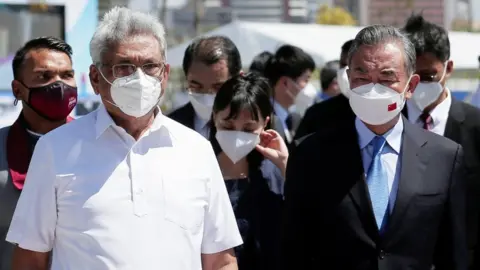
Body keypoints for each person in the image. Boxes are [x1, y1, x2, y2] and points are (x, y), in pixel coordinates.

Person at [6, 7, 242, 270]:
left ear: (165, 75)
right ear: (96, 78)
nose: (139, 78)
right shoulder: (54, 149)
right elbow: (30, 258)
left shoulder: (196, 150)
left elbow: (220, 259)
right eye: (124, 67)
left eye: (150, 66)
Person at [282, 25, 467, 270]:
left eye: (386, 78)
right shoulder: (310, 154)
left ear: (410, 86)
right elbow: (295, 251)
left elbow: (453, 256)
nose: (372, 89)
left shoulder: (444, 157)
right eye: (362, 78)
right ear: (348, 79)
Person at [402, 14, 480, 269]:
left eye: (429, 76)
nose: (420, 85)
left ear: (449, 68)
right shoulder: (386, 124)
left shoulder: (475, 126)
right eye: (413, 77)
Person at [0, 36, 77, 270]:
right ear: (18, 89)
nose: (59, 84)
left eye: (67, 75)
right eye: (44, 76)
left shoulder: (100, 146)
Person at [209, 72, 287, 269]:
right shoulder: (199, 169)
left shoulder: (274, 172)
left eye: (248, 129)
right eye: (227, 125)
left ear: (265, 123)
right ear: (214, 117)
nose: (236, 135)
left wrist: (286, 165)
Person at [168, 36, 242, 139]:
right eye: (196, 87)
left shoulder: (252, 128)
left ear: (239, 81)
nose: (207, 99)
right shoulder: (169, 128)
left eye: (218, 87)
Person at [294, 39, 355, 140]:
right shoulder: (317, 113)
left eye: (353, 66)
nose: (346, 72)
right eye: (343, 65)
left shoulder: (381, 112)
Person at [264, 44, 315, 145]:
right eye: (306, 79)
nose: (309, 87)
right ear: (285, 83)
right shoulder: (264, 121)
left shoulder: (293, 119)